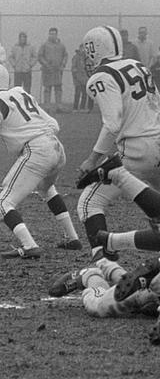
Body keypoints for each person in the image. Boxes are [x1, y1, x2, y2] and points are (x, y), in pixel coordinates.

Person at [77, 25, 160, 262]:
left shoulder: (101, 77)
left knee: (89, 202)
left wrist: (92, 160)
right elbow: (159, 105)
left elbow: (112, 124)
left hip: (138, 148)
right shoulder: (138, 65)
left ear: (94, 49)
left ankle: (102, 262)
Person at [0, 65, 82, 258]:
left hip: (36, 150)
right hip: (56, 147)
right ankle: (72, 238)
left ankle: (29, 246)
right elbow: (54, 124)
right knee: (47, 189)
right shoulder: (20, 92)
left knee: (3, 202)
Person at [37, 27, 68, 108]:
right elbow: (40, 56)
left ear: (57, 35)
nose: (52, 36)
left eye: (54, 34)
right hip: (47, 70)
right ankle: (47, 106)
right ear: (49, 34)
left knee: (58, 88)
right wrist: (46, 64)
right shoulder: (44, 45)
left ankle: (59, 106)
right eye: (51, 34)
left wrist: (63, 65)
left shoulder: (61, 45)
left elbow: (65, 55)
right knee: (47, 89)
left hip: (58, 70)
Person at [71, 45, 89, 112]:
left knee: (84, 94)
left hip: (85, 79)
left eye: (84, 49)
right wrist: (76, 76)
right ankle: (75, 108)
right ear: (79, 48)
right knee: (77, 93)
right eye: (82, 48)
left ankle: (82, 108)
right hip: (77, 79)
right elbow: (73, 67)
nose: (83, 50)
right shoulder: (75, 57)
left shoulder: (86, 58)